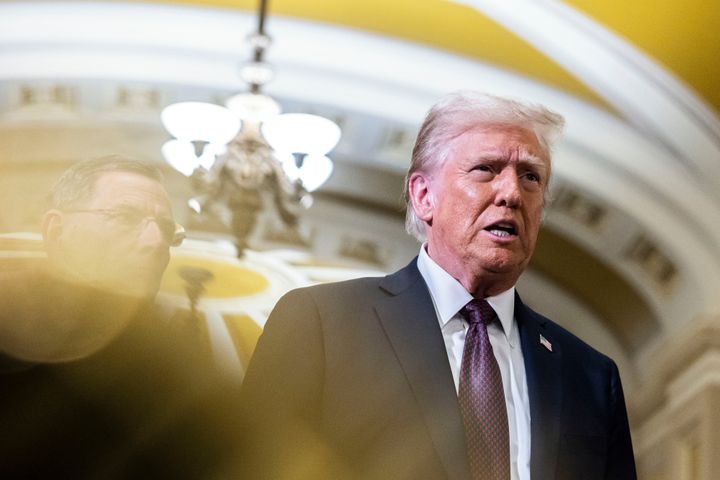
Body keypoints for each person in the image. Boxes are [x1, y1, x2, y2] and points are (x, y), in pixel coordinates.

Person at [239, 92, 637, 480]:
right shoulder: (322, 324)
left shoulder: (590, 375)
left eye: (530, 177)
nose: (512, 193)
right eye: (486, 169)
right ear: (424, 195)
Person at [0, 157, 239, 479]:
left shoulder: (181, 366)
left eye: (167, 230)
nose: (156, 243)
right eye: (125, 217)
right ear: (56, 230)